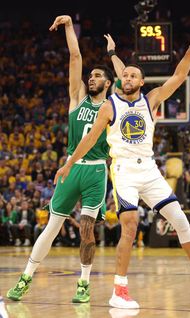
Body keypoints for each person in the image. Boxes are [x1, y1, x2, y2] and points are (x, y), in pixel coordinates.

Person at [54, 28, 190, 309]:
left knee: (180, 219)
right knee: (130, 226)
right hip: (123, 170)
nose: (128, 78)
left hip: (149, 169)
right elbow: (87, 139)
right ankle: (119, 290)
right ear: (120, 80)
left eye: (133, 75)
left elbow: (179, 76)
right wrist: (69, 162)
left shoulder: (152, 99)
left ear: (142, 82)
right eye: (125, 75)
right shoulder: (110, 106)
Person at [7, 15, 124, 303]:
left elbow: (128, 80)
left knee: (86, 229)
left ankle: (83, 283)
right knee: (52, 226)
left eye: (98, 76)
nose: (92, 78)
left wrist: (112, 54)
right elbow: (74, 56)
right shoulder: (77, 98)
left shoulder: (112, 106)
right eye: (91, 75)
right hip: (71, 168)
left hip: (96, 171)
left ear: (108, 83)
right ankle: (25, 278)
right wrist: (69, 26)